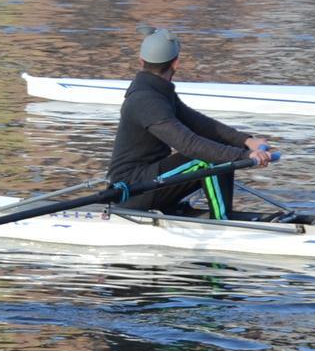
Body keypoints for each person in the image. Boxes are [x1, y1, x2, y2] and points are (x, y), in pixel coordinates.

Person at [108, 28, 272, 218]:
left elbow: (202, 125)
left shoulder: (157, 91)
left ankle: (223, 217)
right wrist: (246, 155)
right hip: (132, 190)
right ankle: (222, 222)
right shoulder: (145, 100)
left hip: (149, 180)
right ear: (176, 63)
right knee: (207, 159)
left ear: (141, 61)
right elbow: (189, 144)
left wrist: (246, 141)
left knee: (218, 150)